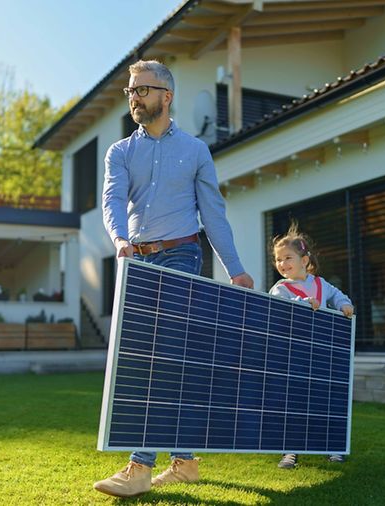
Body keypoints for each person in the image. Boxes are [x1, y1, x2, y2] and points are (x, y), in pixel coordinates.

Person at [94, 59, 255, 498]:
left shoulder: (197, 151)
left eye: (142, 90)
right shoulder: (121, 152)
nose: (133, 97)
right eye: (130, 91)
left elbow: (213, 215)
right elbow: (111, 200)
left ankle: (140, 466)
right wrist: (120, 240)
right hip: (139, 261)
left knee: (164, 357)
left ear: (166, 96)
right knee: (161, 359)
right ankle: (183, 462)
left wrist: (235, 269)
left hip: (183, 255)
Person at [268, 221, 354, 469]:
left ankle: (333, 447)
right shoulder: (280, 289)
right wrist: (303, 300)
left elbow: (338, 296)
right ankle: (290, 451)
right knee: (293, 402)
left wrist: (343, 305)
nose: (282, 264)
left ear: (304, 260)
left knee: (326, 400)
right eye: (278, 259)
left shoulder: (321, 284)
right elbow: (282, 308)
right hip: (294, 356)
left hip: (321, 355)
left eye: (288, 257)